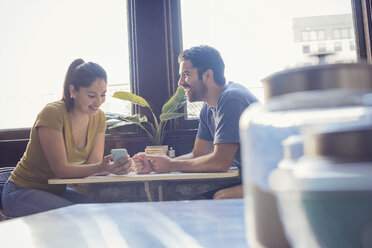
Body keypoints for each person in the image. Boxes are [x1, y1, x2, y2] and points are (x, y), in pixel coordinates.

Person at [2, 59, 132, 217]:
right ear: (73, 91)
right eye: (92, 95)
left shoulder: (99, 118)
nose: (98, 102)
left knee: (99, 213)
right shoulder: (52, 113)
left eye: (103, 94)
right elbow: (61, 170)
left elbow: (93, 165)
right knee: (78, 216)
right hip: (21, 191)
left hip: (54, 192)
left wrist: (115, 167)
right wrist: (102, 167)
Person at [132, 45, 258, 199]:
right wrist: (155, 164)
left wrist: (171, 165)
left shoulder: (232, 99)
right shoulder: (208, 107)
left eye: (186, 74)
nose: (180, 82)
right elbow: (198, 154)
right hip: (254, 181)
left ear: (207, 75)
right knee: (198, 203)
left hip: (275, 181)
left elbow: (220, 163)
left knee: (219, 199)